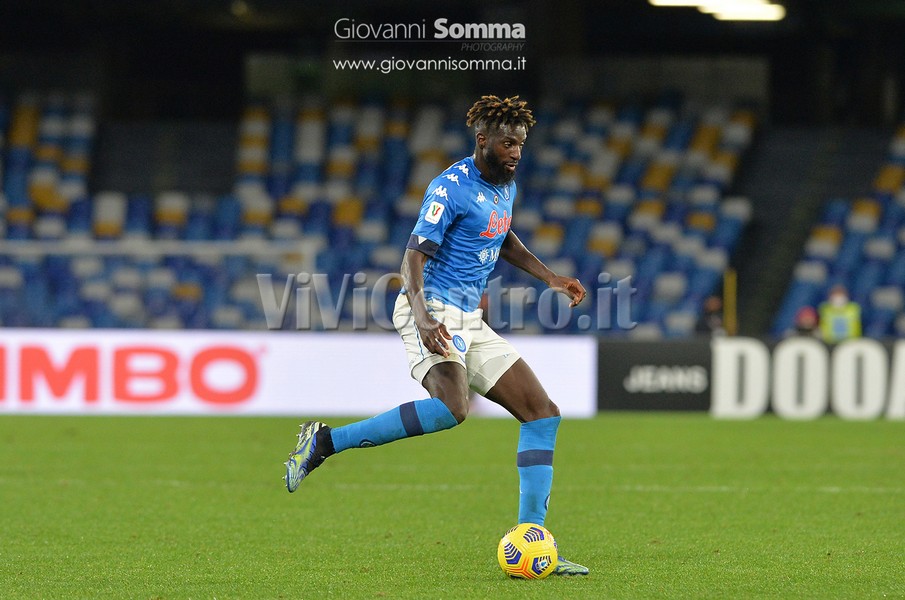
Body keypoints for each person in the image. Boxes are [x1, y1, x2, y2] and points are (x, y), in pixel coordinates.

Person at [283, 95, 589, 576]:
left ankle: (533, 539)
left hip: (468, 315)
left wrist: (549, 276)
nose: (516, 153)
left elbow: (501, 236)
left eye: (520, 144)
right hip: (430, 307)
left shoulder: (505, 185)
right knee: (452, 408)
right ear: (482, 140)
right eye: (507, 144)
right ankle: (324, 442)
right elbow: (413, 256)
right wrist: (423, 317)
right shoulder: (449, 188)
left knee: (542, 413)